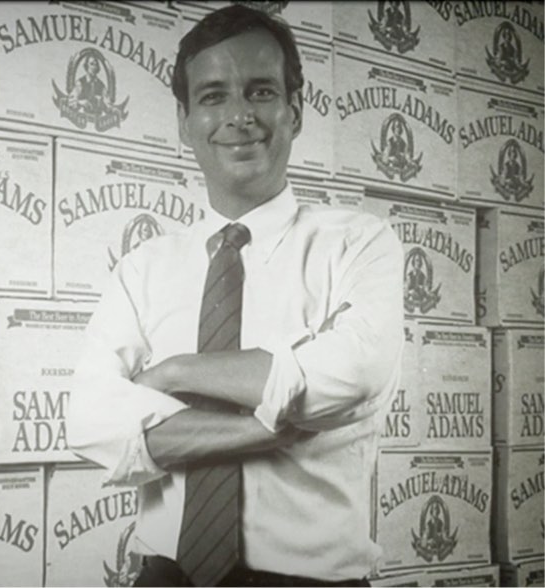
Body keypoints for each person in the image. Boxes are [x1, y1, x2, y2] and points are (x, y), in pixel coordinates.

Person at [67, 5, 403, 587]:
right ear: (185, 120)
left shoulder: (357, 243)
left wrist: (173, 373)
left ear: (294, 111)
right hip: (166, 577)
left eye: (261, 91)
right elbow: (90, 420)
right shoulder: (141, 268)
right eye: (214, 96)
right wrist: (269, 426)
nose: (239, 116)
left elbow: (355, 373)